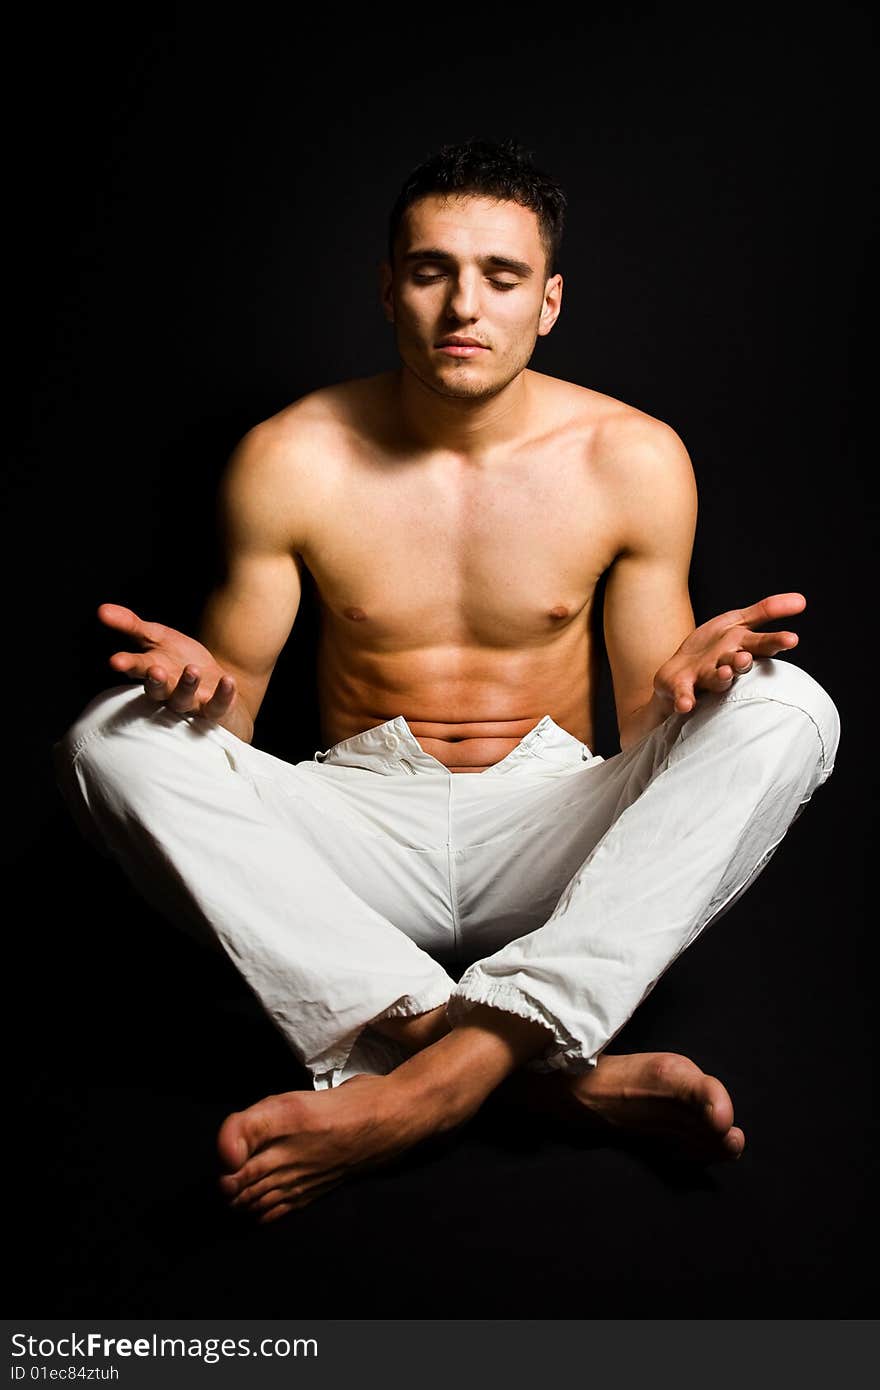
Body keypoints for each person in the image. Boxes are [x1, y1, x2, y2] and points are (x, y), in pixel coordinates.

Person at [53, 137, 840, 1224]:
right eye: (430, 271)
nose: (462, 304)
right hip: (357, 824)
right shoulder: (292, 455)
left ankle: (420, 1087)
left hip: (551, 826)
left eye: (501, 277)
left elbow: (647, 720)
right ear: (388, 287)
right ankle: (514, 1067)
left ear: (548, 300)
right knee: (108, 739)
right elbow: (228, 719)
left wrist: (696, 687)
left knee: (793, 708)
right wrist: (199, 686)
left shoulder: (631, 454)